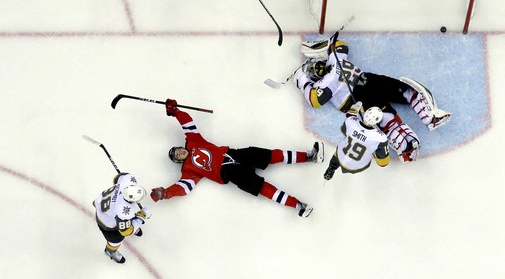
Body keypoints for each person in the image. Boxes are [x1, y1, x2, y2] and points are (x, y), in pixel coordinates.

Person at [149, 99, 323, 218]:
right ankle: (298, 206)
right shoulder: (188, 171)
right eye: (176, 156)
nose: (178, 153)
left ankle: (309, 157)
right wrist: (166, 193)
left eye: (177, 150)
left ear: (181, 147)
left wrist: (175, 111)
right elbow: (183, 188)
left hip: (234, 154)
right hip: (230, 173)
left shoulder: (193, 141)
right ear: (179, 161)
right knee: (262, 187)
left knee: (271, 155)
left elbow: (187, 124)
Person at [294, 37, 451, 163]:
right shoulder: (335, 61)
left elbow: (315, 99)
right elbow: (340, 45)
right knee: (395, 104)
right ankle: (421, 128)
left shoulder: (326, 82)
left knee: (396, 103)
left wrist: (301, 79)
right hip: (362, 93)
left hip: (364, 89)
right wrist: (322, 49)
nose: (318, 68)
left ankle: (418, 132)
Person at [324, 101, 391, 180]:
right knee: (370, 152)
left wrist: (355, 108)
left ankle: (332, 166)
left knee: (343, 145)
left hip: (341, 156)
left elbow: (343, 131)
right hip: (357, 166)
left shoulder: (350, 122)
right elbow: (383, 163)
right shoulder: (381, 138)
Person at [93, 172, 151, 264]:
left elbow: (117, 177)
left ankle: (132, 223)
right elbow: (127, 231)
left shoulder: (126, 180)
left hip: (103, 204)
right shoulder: (123, 212)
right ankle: (110, 251)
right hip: (107, 223)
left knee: (130, 216)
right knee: (117, 239)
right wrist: (141, 217)